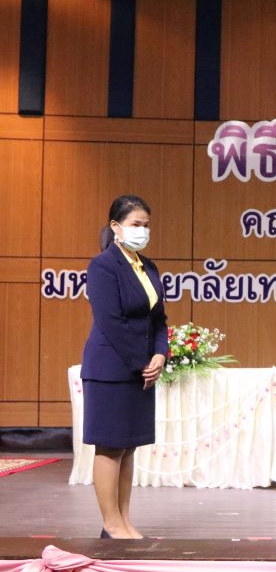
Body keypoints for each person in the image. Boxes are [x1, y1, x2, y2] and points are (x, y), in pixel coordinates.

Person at [81, 195, 168, 539]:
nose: (142, 231)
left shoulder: (149, 267)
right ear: (116, 227)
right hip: (111, 369)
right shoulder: (103, 266)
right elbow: (111, 321)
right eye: (135, 225)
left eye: (146, 225)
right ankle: (110, 523)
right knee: (109, 445)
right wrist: (141, 362)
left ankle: (124, 520)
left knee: (128, 445)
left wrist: (160, 354)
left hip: (141, 369)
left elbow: (159, 319)